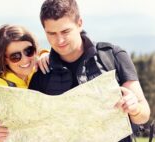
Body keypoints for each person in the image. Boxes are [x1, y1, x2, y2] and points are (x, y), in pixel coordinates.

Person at [28, 0, 150, 141]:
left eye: (65, 31)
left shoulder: (113, 56)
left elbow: (144, 115)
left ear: (79, 23)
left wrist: (135, 109)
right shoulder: (41, 73)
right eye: (52, 34)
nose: (59, 40)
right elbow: (31, 129)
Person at [0, 24, 49, 142]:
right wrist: (11, 107)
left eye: (28, 51)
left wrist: (45, 54)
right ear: (4, 60)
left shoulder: (32, 72)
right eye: (15, 56)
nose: (25, 59)